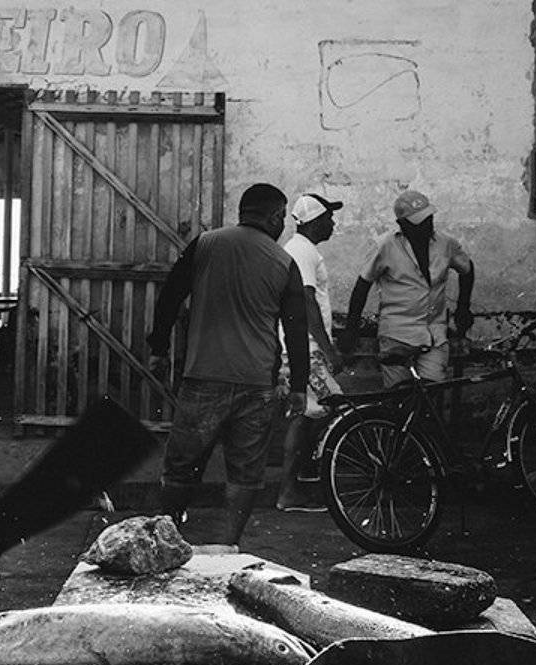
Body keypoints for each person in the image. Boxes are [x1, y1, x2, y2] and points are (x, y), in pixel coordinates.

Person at [147, 182, 309, 546]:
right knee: (245, 471)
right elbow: (297, 329)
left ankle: (169, 536)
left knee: (181, 466)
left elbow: (170, 295)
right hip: (257, 383)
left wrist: (158, 347)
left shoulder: (205, 244)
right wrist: (299, 386)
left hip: (203, 377)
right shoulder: (285, 262)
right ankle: (230, 543)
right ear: (275, 217)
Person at [345, 188, 475, 387]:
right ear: (402, 224)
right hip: (397, 334)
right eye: (419, 222)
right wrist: (351, 328)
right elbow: (363, 285)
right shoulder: (385, 246)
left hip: (434, 334)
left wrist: (463, 307)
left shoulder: (445, 244)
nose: (426, 225)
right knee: (400, 395)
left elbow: (467, 268)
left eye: (429, 219)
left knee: (433, 392)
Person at [276, 193, 345, 513]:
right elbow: (305, 302)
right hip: (308, 350)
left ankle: (298, 482)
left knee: (307, 415)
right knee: (327, 408)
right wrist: (329, 350)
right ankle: (292, 487)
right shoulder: (302, 251)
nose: (332, 223)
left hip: (304, 348)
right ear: (315, 221)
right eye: (328, 217)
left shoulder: (301, 249)